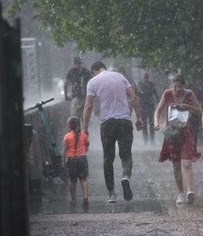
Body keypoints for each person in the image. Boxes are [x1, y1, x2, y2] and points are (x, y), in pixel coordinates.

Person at [83, 61, 143, 203]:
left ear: (94, 71)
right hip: (124, 121)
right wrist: (139, 118)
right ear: (104, 67)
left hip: (107, 123)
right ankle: (125, 177)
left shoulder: (92, 82)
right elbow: (133, 97)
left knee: (108, 158)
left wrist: (85, 128)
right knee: (126, 155)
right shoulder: (120, 77)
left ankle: (111, 193)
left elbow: (88, 106)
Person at [153, 74, 202, 204]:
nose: (177, 89)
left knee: (187, 162)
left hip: (186, 132)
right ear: (172, 85)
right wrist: (156, 123)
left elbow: (200, 111)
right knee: (176, 165)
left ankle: (190, 191)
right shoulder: (167, 94)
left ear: (184, 86)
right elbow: (157, 110)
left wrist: (188, 107)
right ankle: (181, 193)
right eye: (175, 86)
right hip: (172, 133)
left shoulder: (189, 94)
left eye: (179, 86)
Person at [62, 116, 89, 207]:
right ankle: (85, 198)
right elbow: (87, 144)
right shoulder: (83, 135)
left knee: (73, 181)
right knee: (83, 179)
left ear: (70, 126)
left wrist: (63, 161)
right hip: (82, 159)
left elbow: (65, 150)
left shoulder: (67, 136)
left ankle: (73, 199)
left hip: (72, 160)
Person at [137, 72, 158, 145]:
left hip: (147, 105)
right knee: (147, 124)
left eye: (146, 77)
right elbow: (138, 93)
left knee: (148, 124)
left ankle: (149, 140)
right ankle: (147, 140)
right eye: (145, 77)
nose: (145, 78)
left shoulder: (147, 84)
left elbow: (155, 93)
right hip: (146, 105)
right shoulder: (141, 84)